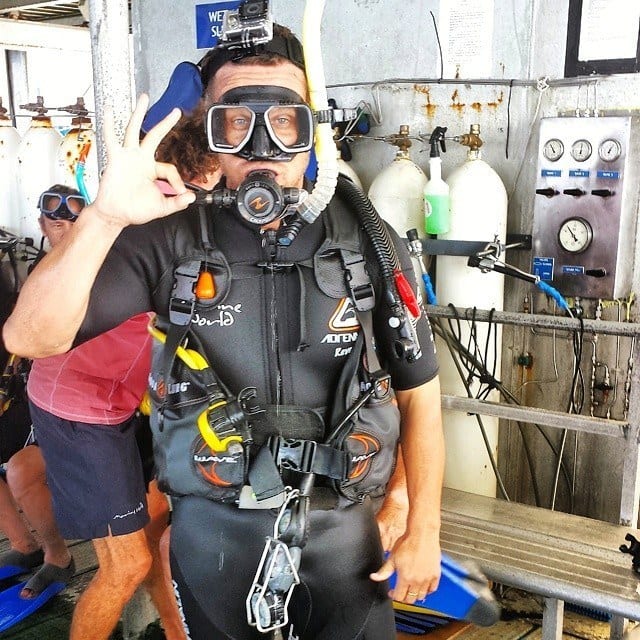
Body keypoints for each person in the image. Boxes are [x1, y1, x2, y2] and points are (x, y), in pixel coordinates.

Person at [4, 22, 445, 640]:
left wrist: (422, 521)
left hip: (349, 549)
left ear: (311, 126)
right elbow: (30, 336)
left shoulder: (368, 237)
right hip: (214, 546)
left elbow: (418, 392)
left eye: (284, 120)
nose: (263, 146)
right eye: (236, 122)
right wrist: (103, 218)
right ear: (209, 131)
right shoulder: (170, 237)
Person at [21, 184, 184, 640]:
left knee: (152, 534)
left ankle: (175, 632)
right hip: (80, 409)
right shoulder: (103, 249)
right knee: (126, 564)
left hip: (129, 405)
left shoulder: (173, 236)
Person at [0, 263, 73, 599]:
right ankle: (23, 545)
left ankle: (58, 556)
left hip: (74, 411)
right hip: (29, 402)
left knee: (21, 471)